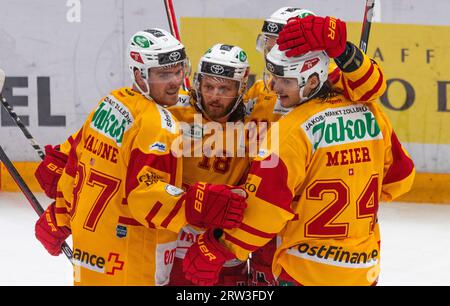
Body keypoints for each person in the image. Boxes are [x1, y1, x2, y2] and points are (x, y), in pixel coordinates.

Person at [182, 44, 415, 286]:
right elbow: (400, 180)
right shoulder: (371, 113)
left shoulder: (290, 130)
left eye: (285, 80)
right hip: (362, 270)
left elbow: (265, 209)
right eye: (274, 76)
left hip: (306, 270)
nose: (274, 86)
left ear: (313, 81)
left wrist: (219, 245)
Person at [33, 28, 247, 285]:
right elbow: (146, 195)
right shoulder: (162, 120)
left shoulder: (111, 101)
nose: (175, 82)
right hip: (135, 252)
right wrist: (196, 203)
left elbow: (78, 161)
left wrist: (60, 212)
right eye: (163, 74)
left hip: (94, 251)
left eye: (178, 72)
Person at [244, 7, 388, 286]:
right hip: (262, 222)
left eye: (281, 46)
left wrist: (345, 51)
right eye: (269, 45)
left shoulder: (337, 87)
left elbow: (372, 87)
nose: (273, 54)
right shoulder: (262, 92)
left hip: (306, 235)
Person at [167, 43, 251, 286]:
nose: (215, 96)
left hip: (222, 246)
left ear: (240, 88)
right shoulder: (173, 111)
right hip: (174, 240)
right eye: (209, 86)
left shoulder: (255, 124)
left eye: (224, 88)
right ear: (198, 84)